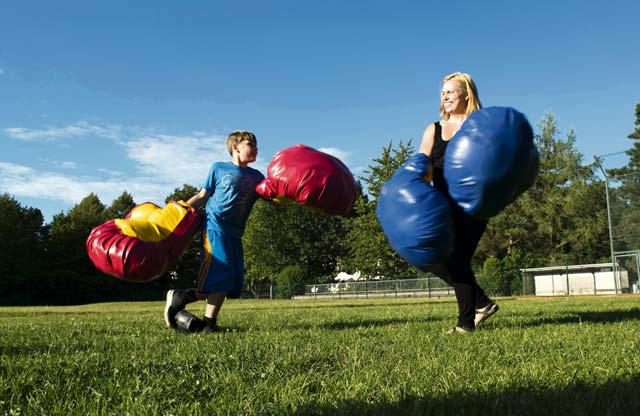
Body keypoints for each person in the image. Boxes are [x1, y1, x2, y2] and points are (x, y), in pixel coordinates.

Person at [418, 72, 499, 333]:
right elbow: (421, 163)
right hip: (442, 207)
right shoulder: (434, 128)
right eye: (443, 93)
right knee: (429, 258)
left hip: (472, 206)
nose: (445, 96)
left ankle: (466, 324)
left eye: (450, 91)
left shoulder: (479, 125)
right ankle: (482, 302)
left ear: (466, 93)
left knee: (458, 259)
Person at [164, 130, 264, 333]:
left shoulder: (257, 177)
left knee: (228, 282)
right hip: (214, 227)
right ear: (236, 147)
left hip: (236, 233)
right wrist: (178, 211)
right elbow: (202, 196)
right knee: (222, 270)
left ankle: (186, 301)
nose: (255, 149)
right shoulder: (218, 168)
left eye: (256, 145)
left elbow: (275, 196)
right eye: (250, 145)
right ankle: (207, 322)